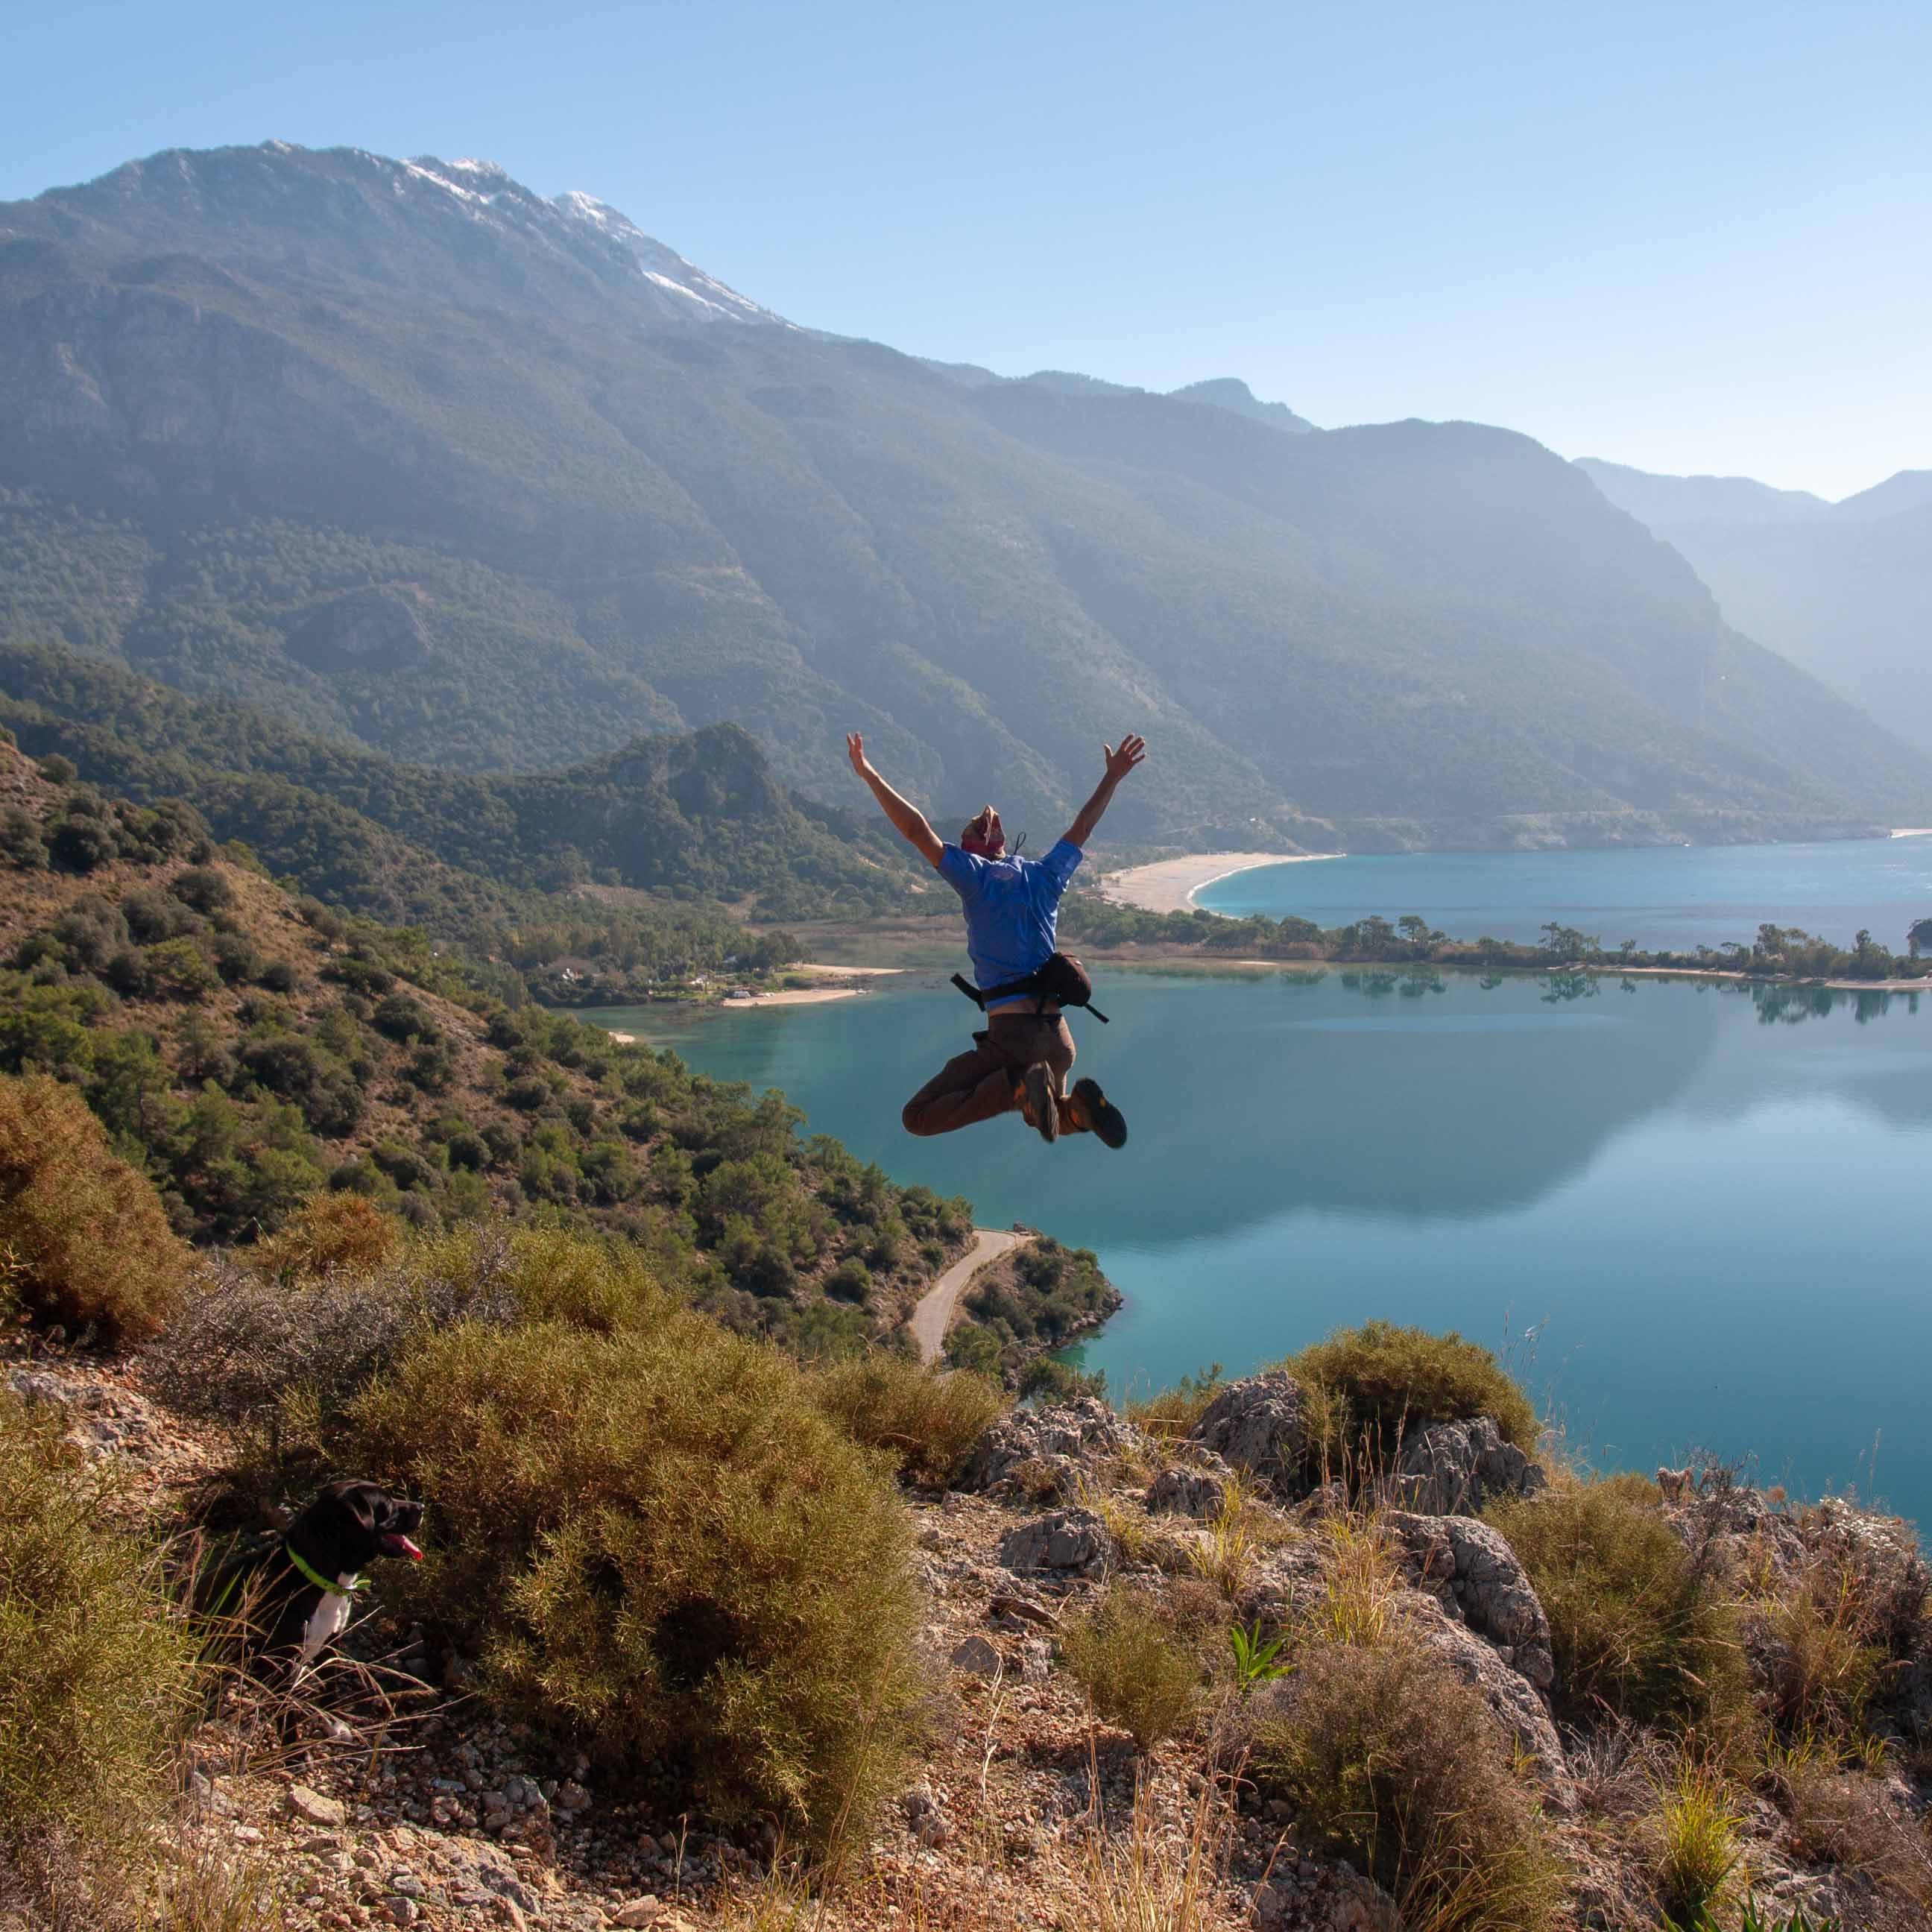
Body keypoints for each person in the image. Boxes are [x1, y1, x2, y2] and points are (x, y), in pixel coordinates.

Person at [845, 729, 1145, 1147]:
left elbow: (916, 829)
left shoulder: (975, 878)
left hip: (1013, 1039)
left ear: (969, 849)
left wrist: (868, 774)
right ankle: (1072, 1110)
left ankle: (1020, 1088)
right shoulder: (1044, 876)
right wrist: (1112, 777)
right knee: (1044, 1116)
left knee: (918, 1117)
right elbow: (1082, 827)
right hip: (1058, 1040)